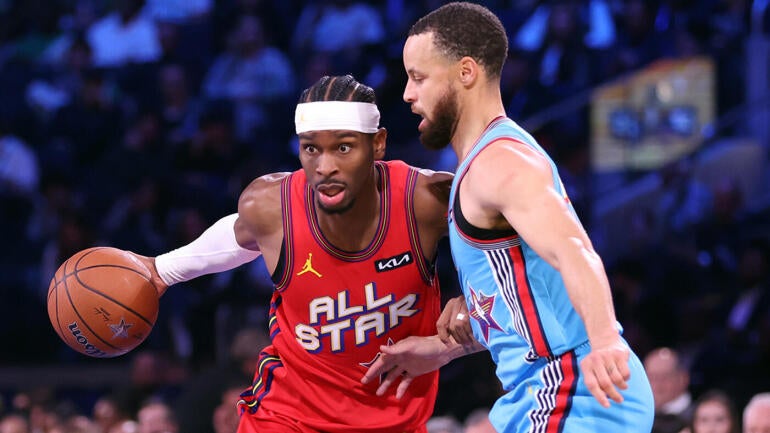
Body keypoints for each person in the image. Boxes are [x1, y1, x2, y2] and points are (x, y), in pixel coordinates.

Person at [361, 3, 655, 432]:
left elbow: (574, 251)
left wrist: (606, 339)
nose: (407, 93)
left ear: (465, 73)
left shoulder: (499, 163)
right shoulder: (485, 162)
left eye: (419, 78)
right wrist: (443, 348)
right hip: (547, 388)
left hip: (573, 386)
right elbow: (530, 298)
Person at [136, 74, 467, 432]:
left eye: (343, 148)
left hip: (394, 420)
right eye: (311, 149)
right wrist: (163, 269)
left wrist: (453, 341)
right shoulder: (269, 205)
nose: (324, 167)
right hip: (286, 417)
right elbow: (241, 234)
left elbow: (511, 271)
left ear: (378, 144)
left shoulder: (427, 200)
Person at [644, 347, 694, 433]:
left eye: (664, 377)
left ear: (683, 379)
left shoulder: (697, 417)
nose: (657, 385)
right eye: (651, 377)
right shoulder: (639, 416)